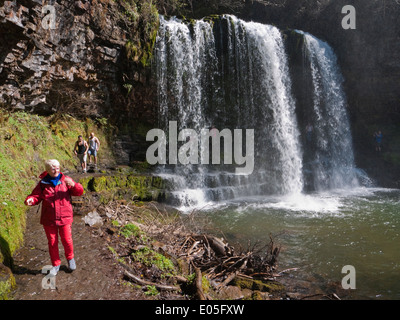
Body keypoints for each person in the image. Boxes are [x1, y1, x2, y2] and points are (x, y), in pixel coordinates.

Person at [24, 159, 84, 276]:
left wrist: (74, 185)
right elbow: (36, 196)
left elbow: (79, 192)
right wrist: (30, 200)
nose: (56, 170)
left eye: (57, 167)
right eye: (53, 168)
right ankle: (56, 264)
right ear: (47, 170)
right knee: (52, 242)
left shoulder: (66, 180)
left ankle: (70, 258)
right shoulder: (43, 183)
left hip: (65, 216)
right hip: (49, 218)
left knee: (67, 240)